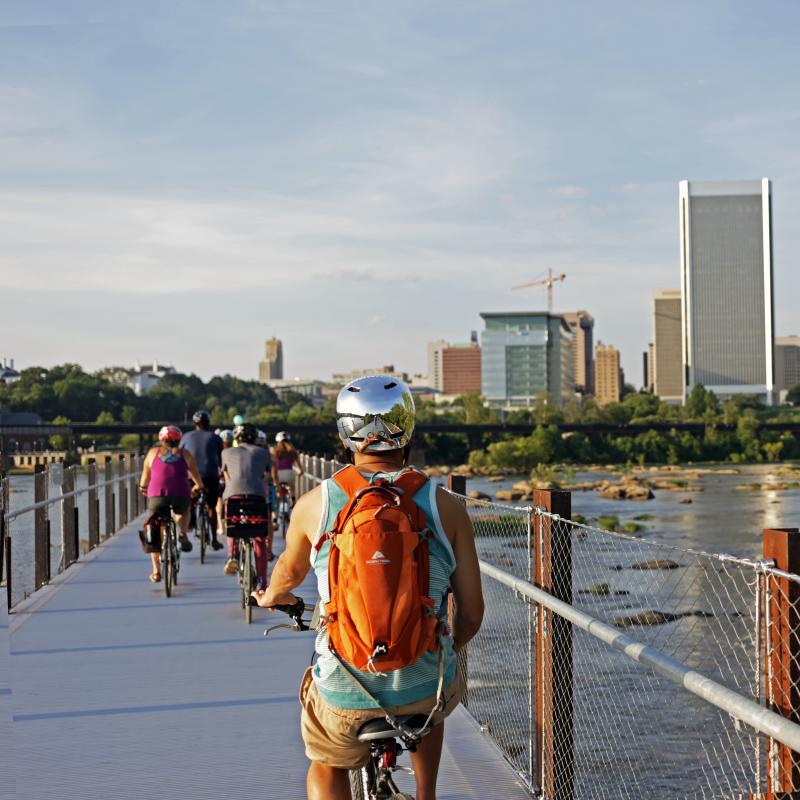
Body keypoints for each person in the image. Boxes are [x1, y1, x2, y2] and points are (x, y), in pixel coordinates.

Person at [253, 376, 484, 800]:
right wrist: (441, 646)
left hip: (345, 686)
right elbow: (471, 613)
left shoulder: (314, 504)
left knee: (324, 765)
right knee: (431, 689)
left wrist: (272, 594)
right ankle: (426, 794)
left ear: (345, 435)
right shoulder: (446, 506)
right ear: (408, 430)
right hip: (423, 686)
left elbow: (287, 572)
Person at [139, 425, 204, 582]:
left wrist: (143, 488)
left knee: (155, 530)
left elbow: (145, 476)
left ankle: (156, 571)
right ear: (179, 439)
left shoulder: (152, 453)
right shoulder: (185, 454)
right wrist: (199, 486)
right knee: (184, 511)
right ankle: (182, 532)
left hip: (157, 496)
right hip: (181, 494)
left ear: (161, 439)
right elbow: (195, 474)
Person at [221, 422, 274, 587]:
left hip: (233, 495)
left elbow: (226, 474)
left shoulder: (226, 452)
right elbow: (266, 476)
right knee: (259, 538)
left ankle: (232, 555)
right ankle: (262, 582)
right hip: (257, 496)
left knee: (231, 522)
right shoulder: (263, 452)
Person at [181, 410, 224, 551]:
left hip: (191, 476)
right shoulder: (215, 437)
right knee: (211, 506)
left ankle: (191, 522)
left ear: (195, 424)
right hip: (210, 475)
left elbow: (180, 455)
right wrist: (221, 470)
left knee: (189, 502)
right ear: (208, 423)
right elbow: (220, 459)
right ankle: (214, 539)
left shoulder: (186, 437)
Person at [272, 431, 304, 504]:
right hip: (290, 474)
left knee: (277, 491)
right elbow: (301, 470)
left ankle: (276, 509)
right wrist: (299, 473)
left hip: (278, 474)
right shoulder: (293, 451)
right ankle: (293, 501)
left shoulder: (275, 451)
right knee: (292, 487)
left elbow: (273, 465)